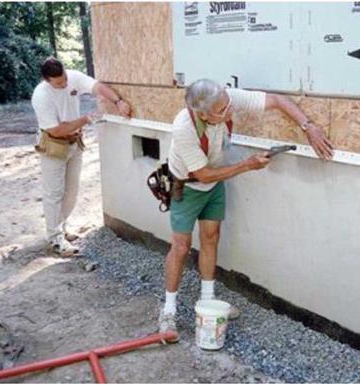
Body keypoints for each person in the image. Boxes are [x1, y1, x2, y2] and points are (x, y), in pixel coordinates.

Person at [159, 78, 334, 340]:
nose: (230, 111)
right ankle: (168, 311)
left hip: (214, 185)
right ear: (202, 114)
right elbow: (204, 175)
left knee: (210, 238)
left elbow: (276, 100)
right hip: (188, 186)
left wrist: (308, 127)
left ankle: (208, 302)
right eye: (222, 111)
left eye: (228, 105)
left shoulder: (224, 99)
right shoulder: (184, 128)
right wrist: (247, 165)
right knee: (181, 247)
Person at [31, 57, 131, 256]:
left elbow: (98, 87)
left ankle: (62, 228)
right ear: (46, 80)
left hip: (73, 143)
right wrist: (86, 119)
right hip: (54, 144)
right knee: (54, 193)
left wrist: (118, 101)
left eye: (65, 78)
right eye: (59, 83)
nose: (65, 84)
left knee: (72, 190)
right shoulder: (41, 96)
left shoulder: (72, 77)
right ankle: (55, 238)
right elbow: (57, 130)